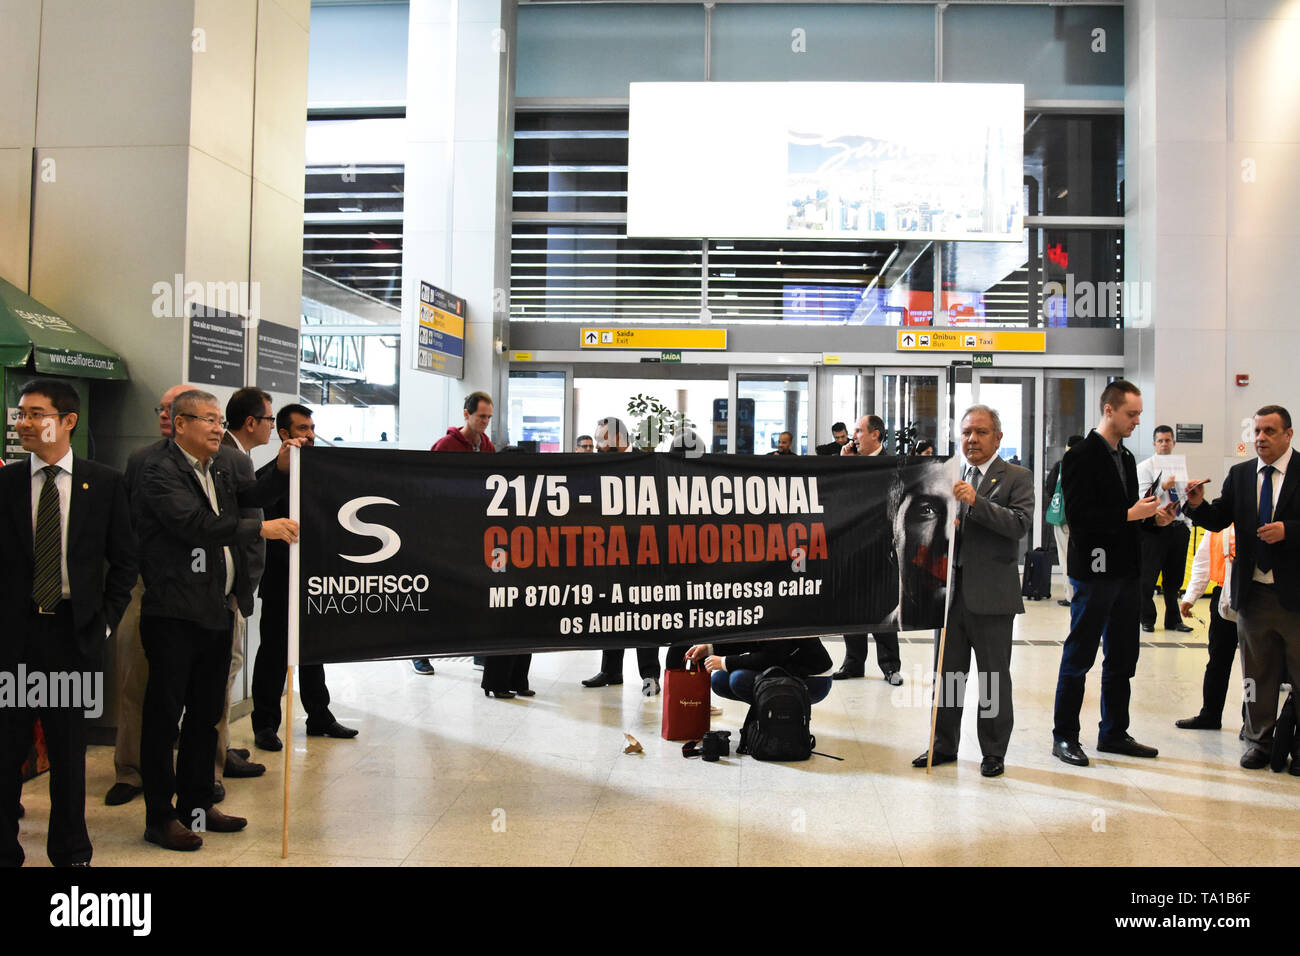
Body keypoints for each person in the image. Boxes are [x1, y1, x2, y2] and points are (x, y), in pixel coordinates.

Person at [135, 389, 303, 851]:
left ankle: (197, 805)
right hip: (172, 612)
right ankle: (159, 816)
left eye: (217, 419)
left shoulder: (223, 466)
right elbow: (192, 524)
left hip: (216, 606)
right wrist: (262, 528)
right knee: (165, 716)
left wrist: (282, 469)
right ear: (179, 423)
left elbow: (255, 495)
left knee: (206, 717)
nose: (215, 427)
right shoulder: (158, 469)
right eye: (206, 419)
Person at [0, 380, 136, 866]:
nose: (24, 423)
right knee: (8, 745)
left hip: (72, 634)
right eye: (20, 414)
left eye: (37, 413)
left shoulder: (103, 483)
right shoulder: (8, 482)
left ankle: (72, 852)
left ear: (68, 421)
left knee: (68, 751)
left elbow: (124, 563)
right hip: (15, 637)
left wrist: (102, 625)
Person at [1051, 380, 1170, 767]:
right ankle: (1065, 735)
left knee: (1122, 657)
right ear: (1109, 410)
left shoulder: (1126, 457)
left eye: (1138, 414)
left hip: (1126, 572)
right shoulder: (1081, 456)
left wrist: (1154, 519)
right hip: (1094, 572)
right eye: (1131, 414)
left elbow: (1129, 517)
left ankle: (1114, 732)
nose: (1137, 420)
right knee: (1080, 654)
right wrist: (1129, 514)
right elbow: (1080, 518)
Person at [911, 405, 1034, 778]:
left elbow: (1019, 525)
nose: (972, 440)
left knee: (993, 678)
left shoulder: (1016, 476)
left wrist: (976, 502)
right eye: (966, 432)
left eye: (980, 432)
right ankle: (943, 745)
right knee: (948, 676)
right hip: (949, 596)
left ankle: (993, 752)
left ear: (998, 437)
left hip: (992, 596)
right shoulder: (949, 475)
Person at [1184, 405, 1300, 772]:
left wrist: (1289, 531)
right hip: (1253, 593)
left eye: (1269, 431)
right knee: (1256, 674)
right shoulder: (1241, 474)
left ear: (1288, 435)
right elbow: (1220, 518)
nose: (1260, 438)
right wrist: (1197, 506)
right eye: (1257, 432)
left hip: (1295, 595)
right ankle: (1259, 742)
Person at [105, 383, 197, 807]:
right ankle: (130, 770)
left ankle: (202, 775)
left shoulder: (219, 463)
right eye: (161, 409)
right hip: (144, 583)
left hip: (200, 588)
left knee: (204, 689)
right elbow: (122, 522)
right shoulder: (141, 461)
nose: (164, 415)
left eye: (173, 409)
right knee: (133, 680)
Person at [250, 404, 358, 750]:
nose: (310, 435)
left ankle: (320, 716)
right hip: (282, 581)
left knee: (313, 651)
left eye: (312, 427)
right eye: (302, 428)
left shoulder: (323, 476)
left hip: (316, 581)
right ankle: (265, 725)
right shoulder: (269, 478)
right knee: (273, 654)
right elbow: (269, 533)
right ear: (284, 434)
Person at [411, 391, 499, 677]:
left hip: (474, 533)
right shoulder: (446, 445)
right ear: (466, 414)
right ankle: (420, 652)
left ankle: (479, 651)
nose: (485, 421)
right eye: (480, 416)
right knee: (436, 594)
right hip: (444, 532)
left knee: (477, 591)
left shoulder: (487, 447)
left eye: (488, 417)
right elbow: (427, 486)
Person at [212, 387, 274, 788]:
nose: (272, 426)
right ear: (250, 422)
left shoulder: (238, 456)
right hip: (226, 587)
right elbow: (246, 532)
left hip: (227, 585)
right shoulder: (235, 459)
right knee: (223, 671)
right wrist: (243, 587)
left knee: (226, 670)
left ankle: (220, 747)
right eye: (270, 420)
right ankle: (215, 759)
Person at [582, 416, 661, 695]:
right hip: (610, 546)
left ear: (618, 438)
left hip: (643, 548)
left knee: (644, 613)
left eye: (603, 439)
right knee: (612, 607)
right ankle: (611, 670)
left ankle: (650, 675)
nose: (598, 446)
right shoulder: (598, 464)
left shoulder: (648, 462)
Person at [834, 414, 903, 685]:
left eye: (859, 432)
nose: (854, 437)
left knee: (881, 606)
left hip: (882, 547)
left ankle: (889, 665)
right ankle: (853, 662)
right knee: (852, 606)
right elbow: (838, 496)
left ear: (876, 435)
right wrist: (845, 465)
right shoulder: (851, 461)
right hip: (852, 546)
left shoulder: (893, 465)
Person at [1175, 524, 1243, 732]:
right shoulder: (1219, 523)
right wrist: (1191, 596)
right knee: (1217, 660)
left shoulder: (1260, 516)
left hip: (1256, 597)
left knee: (1255, 666)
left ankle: (1252, 721)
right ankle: (1210, 715)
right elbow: (1203, 560)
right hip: (1223, 597)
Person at [1136, 425, 1194, 634]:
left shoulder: (1179, 466)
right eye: (1160, 441)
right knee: (1148, 576)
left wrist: (1187, 523)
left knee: (1174, 578)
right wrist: (1163, 487)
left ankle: (1173, 619)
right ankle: (1147, 618)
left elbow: (1184, 497)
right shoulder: (1145, 467)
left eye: (1168, 440)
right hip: (1155, 528)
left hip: (1178, 527)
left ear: (1173, 443)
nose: (1164, 444)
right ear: (1154, 444)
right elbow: (1143, 499)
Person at [685, 638, 833, 704]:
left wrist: (725, 662)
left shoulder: (780, 608)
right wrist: (709, 648)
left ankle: (777, 717)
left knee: (738, 679)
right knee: (719, 680)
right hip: (787, 669)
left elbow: (770, 658)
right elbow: (748, 641)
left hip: (814, 680)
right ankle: (766, 713)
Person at [1045, 434, 1084, 607]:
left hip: (1063, 520)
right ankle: (1082, 592)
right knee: (1082, 558)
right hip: (1084, 521)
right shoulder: (1090, 466)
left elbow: (1050, 488)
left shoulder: (1061, 465)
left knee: (1065, 558)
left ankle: (1070, 596)